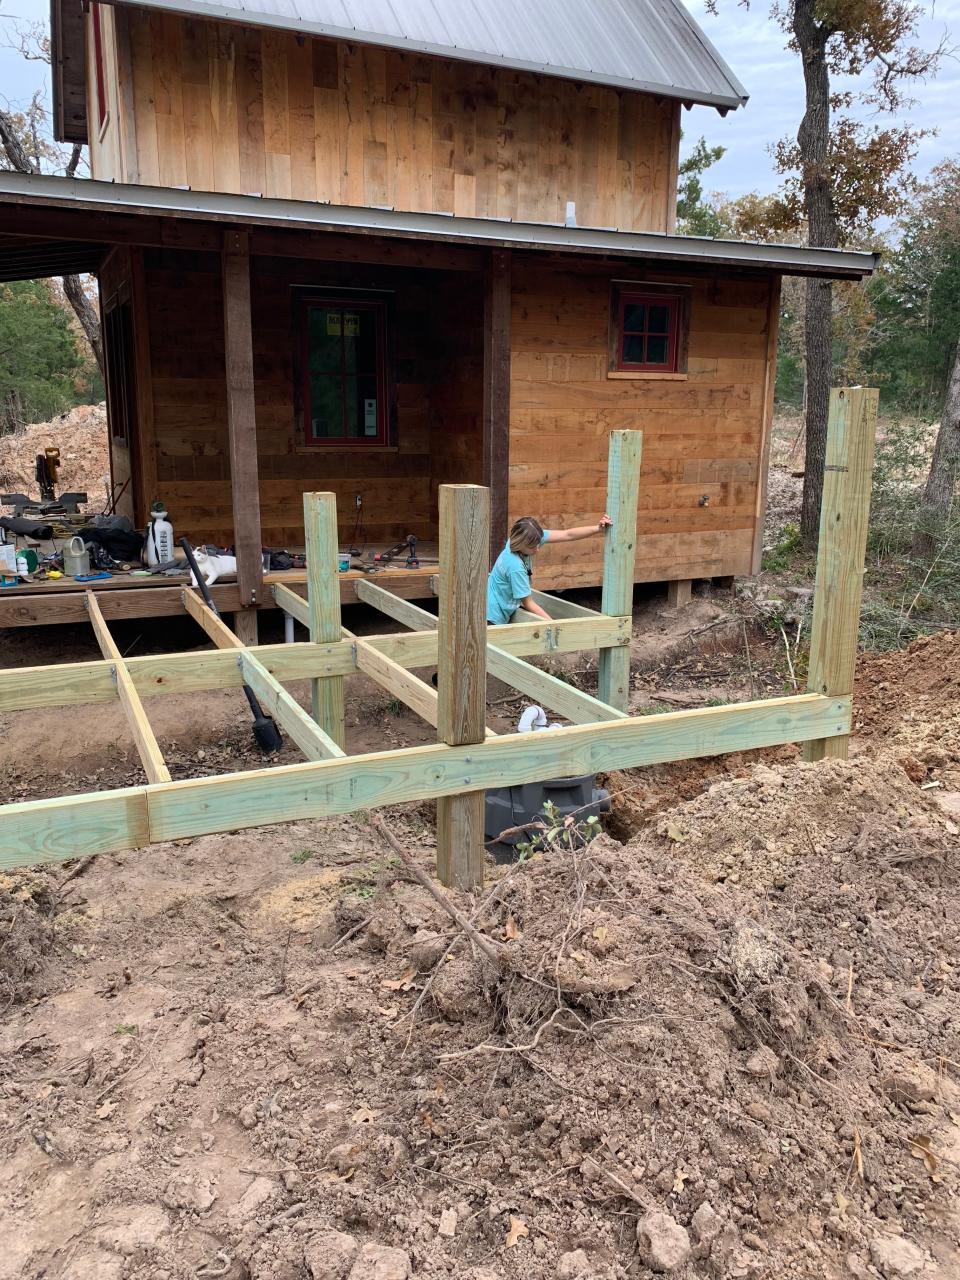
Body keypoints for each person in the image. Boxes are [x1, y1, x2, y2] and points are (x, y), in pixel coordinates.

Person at [487, 514, 613, 624]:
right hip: (493, 616)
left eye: (538, 544)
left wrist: (597, 528)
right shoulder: (515, 567)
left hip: (496, 605)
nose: (537, 549)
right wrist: (554, 625)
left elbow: (567, 534)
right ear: (521, 544)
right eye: (532, 547)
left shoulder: (520, 540)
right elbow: (528, 603)